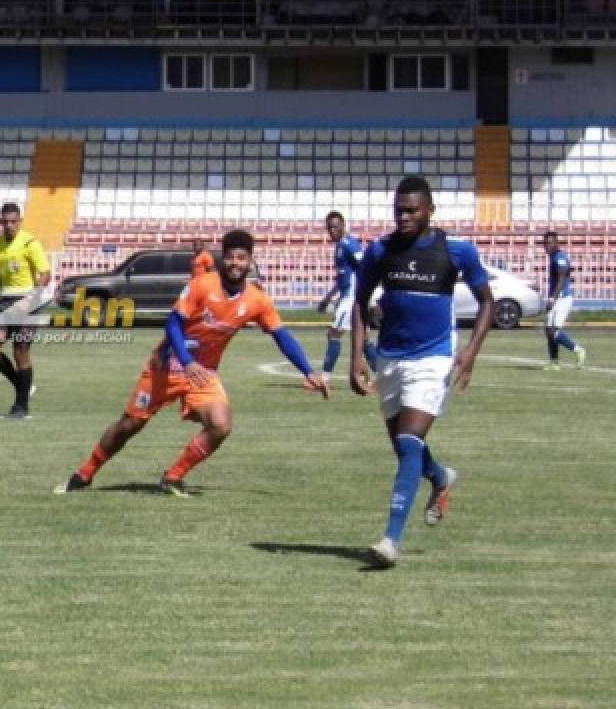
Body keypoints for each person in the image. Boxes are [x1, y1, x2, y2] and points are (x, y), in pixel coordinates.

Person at [56, 230, 328, 498]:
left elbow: (281, 335)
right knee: (129, 426)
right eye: (231, 257)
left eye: (242, 258)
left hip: (203, 374)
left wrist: (307, 371)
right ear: (223, 259)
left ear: (250, 261)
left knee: (221, 425)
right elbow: (173, 322)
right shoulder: (203, 285)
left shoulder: (257, 300)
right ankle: (85, 473)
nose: (235, 263)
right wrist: (186, 362)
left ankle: (173, 476)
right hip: (166, 367)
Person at [350, 176, 494, 568]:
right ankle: (441, 477)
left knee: (410, 442)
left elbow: (487, 302)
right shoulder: (380, 251)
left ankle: (390, 539)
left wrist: (471, 353)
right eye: (399, 210)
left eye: (412, 210)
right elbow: (360, 302)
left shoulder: (456, 252)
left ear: (430, 210)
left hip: (433, 361)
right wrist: (356, 357)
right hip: (390, 359)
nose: (404, 216)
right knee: (401, 444)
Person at [0, 202, 51, 419]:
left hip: (28, 301)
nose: (9, 225)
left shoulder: (30, 243)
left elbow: (44, 273)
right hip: (5, 303)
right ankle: (23, 387)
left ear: (20, 221)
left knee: (20, 350)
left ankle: (21, 408)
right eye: (5, 222)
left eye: (13, 221)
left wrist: (33, 298)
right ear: (0, 222)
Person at [314, 210, 377, 386]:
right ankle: (384, 377)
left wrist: (366, 296)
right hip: (347, 296)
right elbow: (343, 276)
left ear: (343, 226)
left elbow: (365, 266)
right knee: (363, 339)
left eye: (335, 227)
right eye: (329, 228)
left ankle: (325, 379)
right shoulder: (340, 246)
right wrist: (328, 297)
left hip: (352, 298)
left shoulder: (349, 244)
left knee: (334, 334)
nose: (331, 231)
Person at [542, 231, 585, 370]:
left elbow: (561, 279)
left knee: (554, 330)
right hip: (556, 297)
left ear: (556, 243)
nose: (546, 246)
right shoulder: (554, 256)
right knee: (548, 329)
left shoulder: (559, 257)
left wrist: (553, 298)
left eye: (549, 243)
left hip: (562, 298)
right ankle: (554, 362)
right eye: (545, 243)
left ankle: (578, 350)